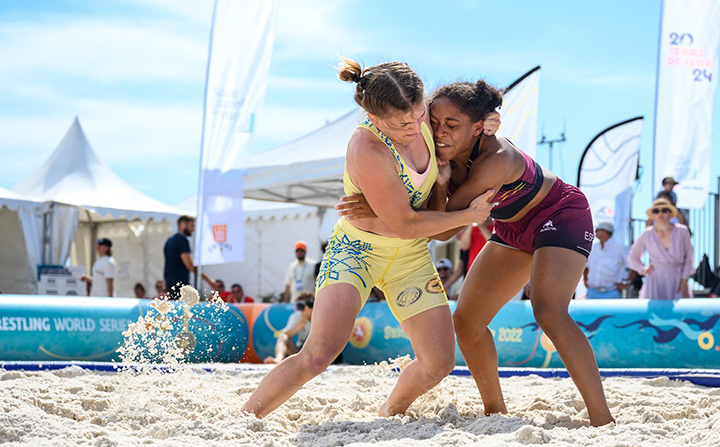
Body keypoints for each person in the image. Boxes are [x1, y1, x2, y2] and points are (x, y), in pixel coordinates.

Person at [342, 79, 615, 426]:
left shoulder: (495, 158)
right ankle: (495, 411)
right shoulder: (430, 136)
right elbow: (436, 212)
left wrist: (386, 209)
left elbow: (447, 228)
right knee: (467, 323)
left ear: (477, 128)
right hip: (512, 227)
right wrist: (391, 198)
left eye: (452, 125)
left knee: (549, 310)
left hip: (559, 214)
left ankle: (602, 418)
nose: (439, 131)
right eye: (434, 121)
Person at [241, 58, 497, 419]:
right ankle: (244, 418)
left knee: (439, 363)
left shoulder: (423, 114)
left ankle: (389, 411)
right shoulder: (367, 147)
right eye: (402, 122)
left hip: (408, 257)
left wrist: (487, 122)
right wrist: (468, 217)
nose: (415, 125)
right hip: (357, 251)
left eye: (418, 113)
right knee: (318, 354)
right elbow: (408, 223)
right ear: (374, 119)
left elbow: (470, 115)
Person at [628, 199, 694, 300]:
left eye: (664, 210)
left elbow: (689, 257)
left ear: (670, 213)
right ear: (653, 215)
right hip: (655, 279)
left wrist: (684, 280)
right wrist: (642, 270)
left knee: (680, 314)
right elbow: (633, 256)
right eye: (656, 211)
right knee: (653, 315)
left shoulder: (682, 231)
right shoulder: (647, 234)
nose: (660, 213)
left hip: (678, 278)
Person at [163, 215, 217, 299]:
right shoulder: (182, 240)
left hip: (170, 282)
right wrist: (209, 281)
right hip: (180, 283)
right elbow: (189, 265)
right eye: (192, 225)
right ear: (183, 224)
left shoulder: (169, 240)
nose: (193, 229)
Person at [263, 293, 314, 364]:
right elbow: (287, 334)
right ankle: (278, 359)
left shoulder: (320, 316)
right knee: (283, 337)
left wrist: (311, 317)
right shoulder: (296, 316)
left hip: (314, 350)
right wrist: (302, 322)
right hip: (300, 350)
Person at [583, 222, 629, 299]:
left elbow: (632, 265)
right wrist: (585, 281)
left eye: (598, 229)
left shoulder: (620, 247)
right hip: (592, 292)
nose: (596, 231)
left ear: (606, 231)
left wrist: (627, 283)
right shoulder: (593, 248)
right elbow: (586, 267)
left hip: (612, 292)